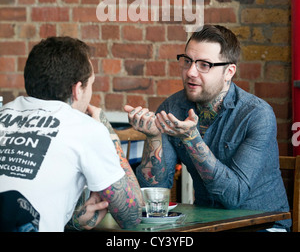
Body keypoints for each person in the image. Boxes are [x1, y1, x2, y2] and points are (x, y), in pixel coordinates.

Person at [124, 24, 291, 231]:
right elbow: (154, 190)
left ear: (229, 72)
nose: (191, 72)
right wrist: (154, 136)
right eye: (187, 61)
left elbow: (233, 197)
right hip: (205, 224)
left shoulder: (256, 114)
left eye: (204, 65)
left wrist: (192, 138)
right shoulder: (172, 108)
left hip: (263, 224)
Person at [0, 36, 142, 232]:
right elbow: (132, 216)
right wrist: (110, 135)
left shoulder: (4, 111)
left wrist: (73, 220)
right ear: (77, 90)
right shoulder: (86, 128)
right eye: (90, 84)